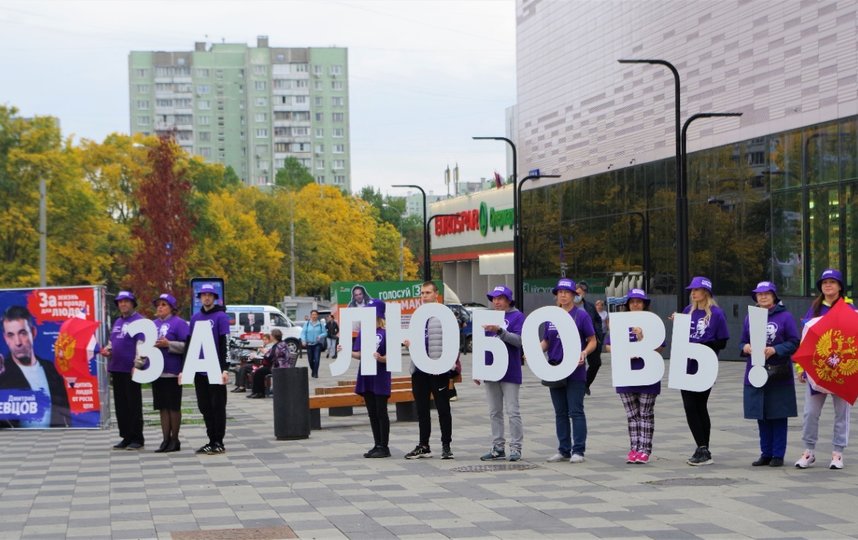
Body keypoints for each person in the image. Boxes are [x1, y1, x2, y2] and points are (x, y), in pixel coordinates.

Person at [795, 268, 855, 470]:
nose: (828, 285)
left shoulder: (851, 310)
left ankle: (838, 453)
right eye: (824, 282)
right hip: (817, 371)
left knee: (842, 414)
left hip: (842, 371)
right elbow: (805, 340)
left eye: (832, 282)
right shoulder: (814, 310)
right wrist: (801, 367)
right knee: (810, 413)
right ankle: (808, 451)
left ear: (839, 286)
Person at [739, 282, 799, 467]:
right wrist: (746, 347)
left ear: (774, 296)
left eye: (767, 294)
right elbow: (742, 342)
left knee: (778, 414)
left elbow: (794, 341)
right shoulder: (751, 317)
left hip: (778, 373)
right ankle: (765, 453)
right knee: (761, 414)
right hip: (755, 372)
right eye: (759, 294)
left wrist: (775, 349)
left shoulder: (785, 317)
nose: (763, 297)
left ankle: (778, 454)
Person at [605, 289, 664, 464]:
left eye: (639, 302)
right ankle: (634, 448)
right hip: (626, 373)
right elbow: (608, 346)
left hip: (648, 373)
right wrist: (624, 353)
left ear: (645, 304)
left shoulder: (653, 323)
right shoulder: (620, 323)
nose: (635, 305)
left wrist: (642, 339)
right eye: (632, 302)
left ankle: (645, 449)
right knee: (632, 414)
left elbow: (660, 347)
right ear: (627, 305)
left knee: (645, 413)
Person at [675, 276, 729, 466]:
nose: (693, 293)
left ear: (706, 291)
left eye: (697, 290)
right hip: (686, 365)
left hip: (704, 365)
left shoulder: (716, 313)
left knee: (699, 405)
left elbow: (722, 341)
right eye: (692, 290)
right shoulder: (687, 312)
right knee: (689, 406)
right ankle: (702, 447)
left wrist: (702, 346)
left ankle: (703, 448)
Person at [542, 279, 597, 464]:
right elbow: (547, 341)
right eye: (559, 292)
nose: (563, 295)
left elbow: (592, 340)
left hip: (576, 370)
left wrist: (584, 352)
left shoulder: (581, 316)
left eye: (566, 292)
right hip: (555, 368)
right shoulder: (551, 318)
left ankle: (578, 450)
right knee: (560, 412)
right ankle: (563, 449)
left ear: (574, 294)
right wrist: (534, 351)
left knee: (576, 411)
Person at [403, 281, 454, 460]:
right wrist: (409, 343)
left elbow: (452, 342)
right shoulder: (417, 315)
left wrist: (448, 366)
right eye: (422, 293)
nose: (424, 296)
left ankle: (446, 445)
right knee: (422, 409)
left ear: (436, 294)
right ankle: (423, 444)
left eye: (427, 293)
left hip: (438, 369)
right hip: (419, 369)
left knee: (443, 408)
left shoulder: (444, 315)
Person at [0, 305, 71, 428]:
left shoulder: (49, 368)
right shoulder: (3, 371)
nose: (18, 342)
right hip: (16, 441)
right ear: (5, 338)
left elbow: (64, 411)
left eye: (22, 333)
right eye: (11, 335)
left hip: (52, 439)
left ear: (33, 333)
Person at [477, 285, 526, 462]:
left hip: (510, 369)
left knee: (513, 410)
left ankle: (516, 447)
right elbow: (482, 343)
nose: (496, 302)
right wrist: (479, 368)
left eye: (500, 298)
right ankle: (498, 447)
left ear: (508, 300)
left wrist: (500, 331)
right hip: (491, 369)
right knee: (494, 411)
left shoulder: (517, 316)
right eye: (494, 299)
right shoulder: (487, 316)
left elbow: (520, 341)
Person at [101, 291, 146, 449]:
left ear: (133, 303)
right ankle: (125, 436)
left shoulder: (140, 321)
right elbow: (113, 342)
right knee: (121, 405)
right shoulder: (118, 322)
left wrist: (138, 364)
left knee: (133, 404)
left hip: (131, 369)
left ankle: (137, 438)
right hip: (117, 368)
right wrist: (108, 350)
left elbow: (142, 345)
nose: (123, 304)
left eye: (126, 301)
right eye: (120, 302)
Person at [189, 283, 231, 455]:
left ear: (214, 298)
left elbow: (225, 343)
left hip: (215, 367)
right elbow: (190, 344)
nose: (206, 297)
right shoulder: (195, 318)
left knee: (217, 405)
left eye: (209, 295)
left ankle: (218, 441)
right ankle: (210, 439)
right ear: (199, 298)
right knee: (204, 406)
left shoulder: (221, 317)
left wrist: (225, 368)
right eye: (203, 295)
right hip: (199, 368)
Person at [352, 298, 391, 458]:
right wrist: (346, 350)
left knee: (381, 411)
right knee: (372, 412)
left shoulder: (387, 333)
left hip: (380, 376)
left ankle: (384, 446)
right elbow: (359, 354)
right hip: (366, 375)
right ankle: (377, 444)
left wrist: (381, 358)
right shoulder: (364, 332)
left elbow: (392, 356)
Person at [150, 293, 189, 453]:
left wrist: (169, 344)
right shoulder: (152, 324)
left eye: (163, 304)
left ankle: (175, 439)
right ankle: (165, 439)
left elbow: (188, 346)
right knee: (162, 407)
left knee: (173, 406)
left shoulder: (179, 324)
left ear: (172, 308)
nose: (159, 307)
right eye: (158, 304)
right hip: (156, 371)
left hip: (173, 371)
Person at [575, 281, 604, 395]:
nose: (578, 296)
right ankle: (575, 387)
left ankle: (585, 385)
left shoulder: (590, 306)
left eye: (580, 293)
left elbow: (598, 320)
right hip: (575, 340)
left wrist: (598, 334)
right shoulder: (566, 306)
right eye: (576, 293)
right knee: (578, 364)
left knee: (596, 363)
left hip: (590, 339)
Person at [248, 329, 289, 398]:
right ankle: (257, 392)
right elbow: (270, 356)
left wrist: (264, 353)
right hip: (277, 366)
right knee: (259, 371)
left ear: (273, 337)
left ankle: (259, 393)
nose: (270, 336)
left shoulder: (279, 346)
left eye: (271, 335)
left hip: (279, 367)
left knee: (258, 372)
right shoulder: (279, 344)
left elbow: (270, 357)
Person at [301, 310, 327, 378]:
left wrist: (320, 336)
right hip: (309, 344)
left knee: (317, 359)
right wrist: (303, 340)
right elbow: (303, 333)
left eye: (315, 314)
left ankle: (315, 373)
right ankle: (313, 370)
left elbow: (325, 333)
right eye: (313, 314)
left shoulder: (321, 324)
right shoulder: (306, 324)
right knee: (310, 360)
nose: (314, 316)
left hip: (317, 344)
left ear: (317, 315)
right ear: (311, 315)